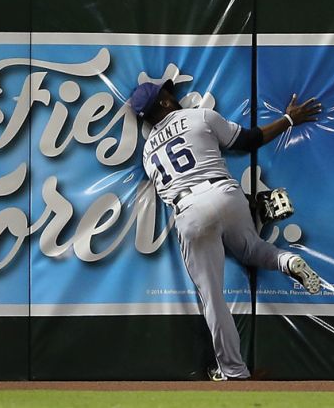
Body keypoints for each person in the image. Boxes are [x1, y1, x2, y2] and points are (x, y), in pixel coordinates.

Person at [130, 80, 322, 381]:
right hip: (224, 192)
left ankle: (233, 371)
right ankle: (287, 261)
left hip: (189, 209)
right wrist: (288, 119)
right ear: (165, 103)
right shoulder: (198, 116)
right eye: (168, 93)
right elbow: (248, 140)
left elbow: (168, 193)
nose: (173, 94)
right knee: (253, 250)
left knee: (213, 299)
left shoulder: (147, 152)